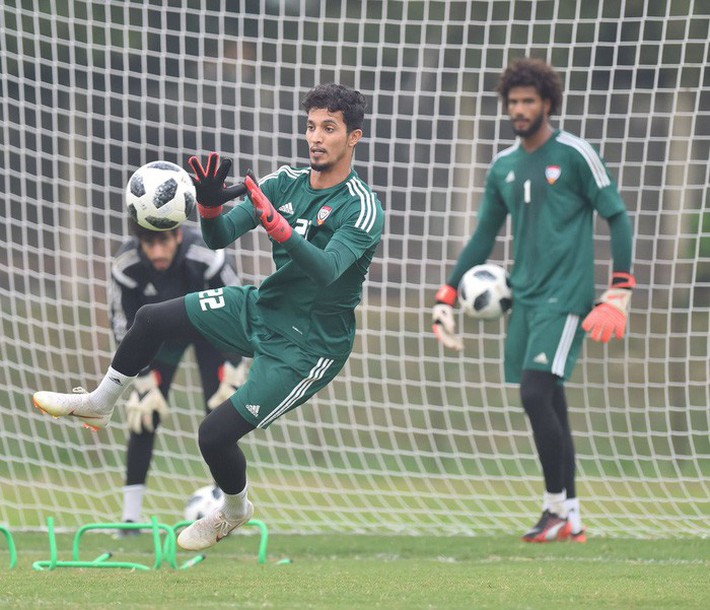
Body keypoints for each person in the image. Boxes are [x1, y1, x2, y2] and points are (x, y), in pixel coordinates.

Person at [33, 83, 384, 551]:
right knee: (152, 318)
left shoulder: (362, 207)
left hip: (310, 348)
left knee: (214, 435)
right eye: (310, 127)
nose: (316, 137)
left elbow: (326, 271)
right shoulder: (284, 183)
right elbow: (217, 237)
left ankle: (234, 510)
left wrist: (277, 226)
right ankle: (101, 400)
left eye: (329, 128)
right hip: (261, 307)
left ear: (353, 137)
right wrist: (211, 203)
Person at [432, 58, 634, 543]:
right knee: (552, 402)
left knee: (534, 393)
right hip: (524, 299)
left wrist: (620, 288)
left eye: (528, 101)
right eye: (513, 102)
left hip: (565, 299)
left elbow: (619, 216)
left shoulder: (575, 154)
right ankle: (570, 517)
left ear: (547, 103)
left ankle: (556, 509)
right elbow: (483, 235)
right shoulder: (503, 165)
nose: (519, 109)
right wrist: (448, 291)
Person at [111, 219, 248, 534]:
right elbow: (122, 325)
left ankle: (226, 511)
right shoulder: (126, 264)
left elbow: (240, 309)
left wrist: (234, 366)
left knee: (221, 421)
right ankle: (130, 520)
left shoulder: (208, 256)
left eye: (164, 242)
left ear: (178, 235)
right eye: (149, 243)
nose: (157, 251)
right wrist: (142, 381)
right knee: (144, 415)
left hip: (213, 333)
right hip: (160, 337)